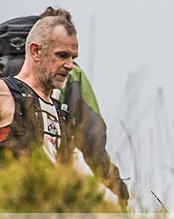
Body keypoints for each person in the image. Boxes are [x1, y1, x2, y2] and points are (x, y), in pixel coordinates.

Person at [0, 8, 128, 206]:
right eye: (62, 55)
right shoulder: (5, 91)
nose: (69, 65)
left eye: (73, 58)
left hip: (53, 217)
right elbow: (93, 140)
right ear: (35, 51)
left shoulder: (61, 112)